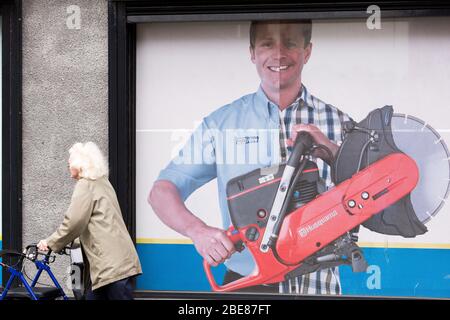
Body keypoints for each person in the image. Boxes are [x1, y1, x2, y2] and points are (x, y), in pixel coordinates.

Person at [148, 20, 352, 295]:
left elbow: (377, 197)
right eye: (267, 44)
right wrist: (198, 232)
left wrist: (332, 151)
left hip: (317, 286)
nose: (278, 53)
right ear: (252, 53)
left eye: (290, 43)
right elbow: (161, 191)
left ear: (307, 52)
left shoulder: (338, 124)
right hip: (247, 285)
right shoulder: (222, 124)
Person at [37, 142, 142, 300]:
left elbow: (74, 222)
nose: (68, 164)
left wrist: (50, 242)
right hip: (115, 264)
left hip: (110, 267)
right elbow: (97, 221)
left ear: (80, 164)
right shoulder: (102, 182)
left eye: (70, 160)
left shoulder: (85, 184)